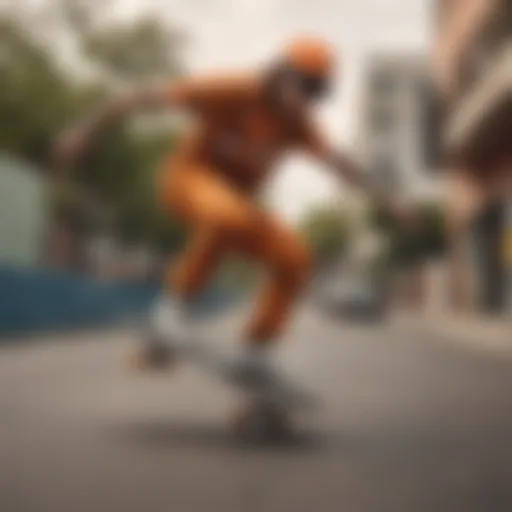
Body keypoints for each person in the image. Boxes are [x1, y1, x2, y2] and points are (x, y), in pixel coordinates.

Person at [54, 36, 414, 379]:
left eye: (318, 94)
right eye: (305, 87)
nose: (308, 101)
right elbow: (141, 98)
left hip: (237, 209)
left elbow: (340, 163)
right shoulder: (233, 89)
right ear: (281, 73)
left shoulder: (299, 126)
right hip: (187, 181)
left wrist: (390, 201)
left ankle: (255, 353)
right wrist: (84, 130)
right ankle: (173, 311)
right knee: (228, 215)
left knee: (295, 259)